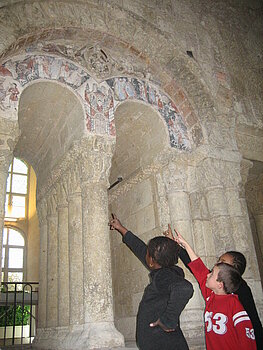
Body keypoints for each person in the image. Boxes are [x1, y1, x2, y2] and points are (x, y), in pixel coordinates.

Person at [165, 225, 263, 350]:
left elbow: (250, 329)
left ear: (231, 272)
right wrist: (176, 245)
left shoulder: (238, 296)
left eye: (222, 262)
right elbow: (197, 267)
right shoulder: (212, 293)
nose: (216, 264)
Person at [109, 214, 194, 350]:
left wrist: (168, 321)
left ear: (152, 261)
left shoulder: (164, 276)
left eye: (148, 253)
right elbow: (139, 247)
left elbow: (185, 288)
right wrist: (120, 228)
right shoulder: (164, 271)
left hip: (164, 344)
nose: (145, 253)